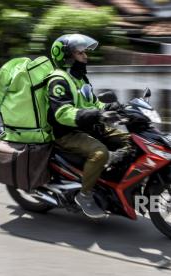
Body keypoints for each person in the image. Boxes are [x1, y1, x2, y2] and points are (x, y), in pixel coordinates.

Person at [47, 34, 133, 219]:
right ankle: (84, 195)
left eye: (85, 52)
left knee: (131, 141)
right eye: (80, 52)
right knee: (99, 153)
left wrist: (112, 108)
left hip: (88, 127)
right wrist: (97, 115)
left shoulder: (81, 79)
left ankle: (111, 183)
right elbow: (62, 113)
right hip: (67, 132)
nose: (86, 56)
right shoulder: (58, 80)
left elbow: (93, 104)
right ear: (67, 56)